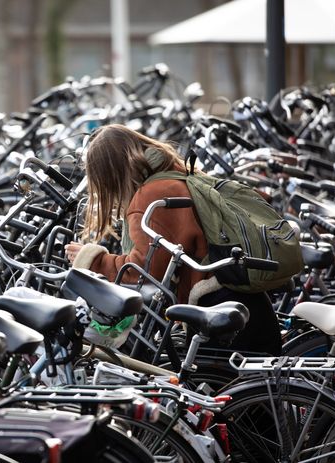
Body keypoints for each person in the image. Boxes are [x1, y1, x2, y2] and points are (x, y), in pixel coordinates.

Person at [65, 124, 281, 355]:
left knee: (206, 388)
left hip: (221, 309)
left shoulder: (151, 195)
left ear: (110, 174)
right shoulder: (177, 174)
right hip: (244, 304)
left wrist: (94, 259)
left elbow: (145, 270)